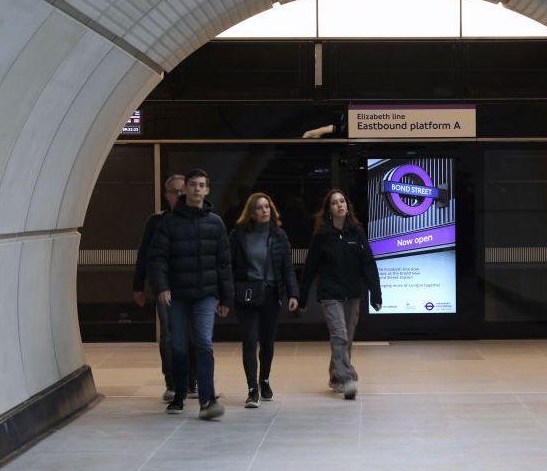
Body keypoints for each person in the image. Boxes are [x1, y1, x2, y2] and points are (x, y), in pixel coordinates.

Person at [149, 169, 233, 419]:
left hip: (205, 294)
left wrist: (226, 298)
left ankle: (208, 398)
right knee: (178, 345)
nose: (197, 189)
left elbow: (224, 263)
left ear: (207, 190)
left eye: (202, 185)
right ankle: (179, 394)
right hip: (177, 295)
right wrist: (162, 287)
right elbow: (158, 259)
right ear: (185, 189)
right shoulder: (169, 222)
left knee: (204, 343)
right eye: (193, 185)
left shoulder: (216, 223)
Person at [299, 189, 382, 400]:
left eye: (342, 201)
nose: (339, 205)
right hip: (330, 294)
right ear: (329, 210)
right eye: (335, 203)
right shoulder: (322, 236)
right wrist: (302, 297)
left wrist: (376, 293)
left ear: (347, 206)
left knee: (347, 338)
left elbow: (368, 264)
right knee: (339, 335)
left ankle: (336, 377)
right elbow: (310, 267)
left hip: (353, 293)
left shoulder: (357, 232)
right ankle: (347, 379)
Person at [132, 174, 199, 402]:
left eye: (184, 191)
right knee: (169, 334)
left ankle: (191, 381)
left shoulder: (197, 219)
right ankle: (171, 381)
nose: (180, 195)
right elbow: (145, 256)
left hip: (192, 285)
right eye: (175, 192)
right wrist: (138, 286)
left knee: (194, 334)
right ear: (167, 195)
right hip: (165, 286)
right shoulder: (156, 222)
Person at [230, 193, 300, 408]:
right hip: (247, 293)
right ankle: (252, 389)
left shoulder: (279, 235)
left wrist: (293, 294)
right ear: (251, 212)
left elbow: (287, 268)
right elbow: (229, 266)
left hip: (271, 294)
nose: (264, 211)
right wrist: (226, 293)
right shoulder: (239, 235)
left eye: (267, 207)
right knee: (250, 341)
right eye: (259, 208)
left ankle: (265, 380)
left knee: (267, 343)